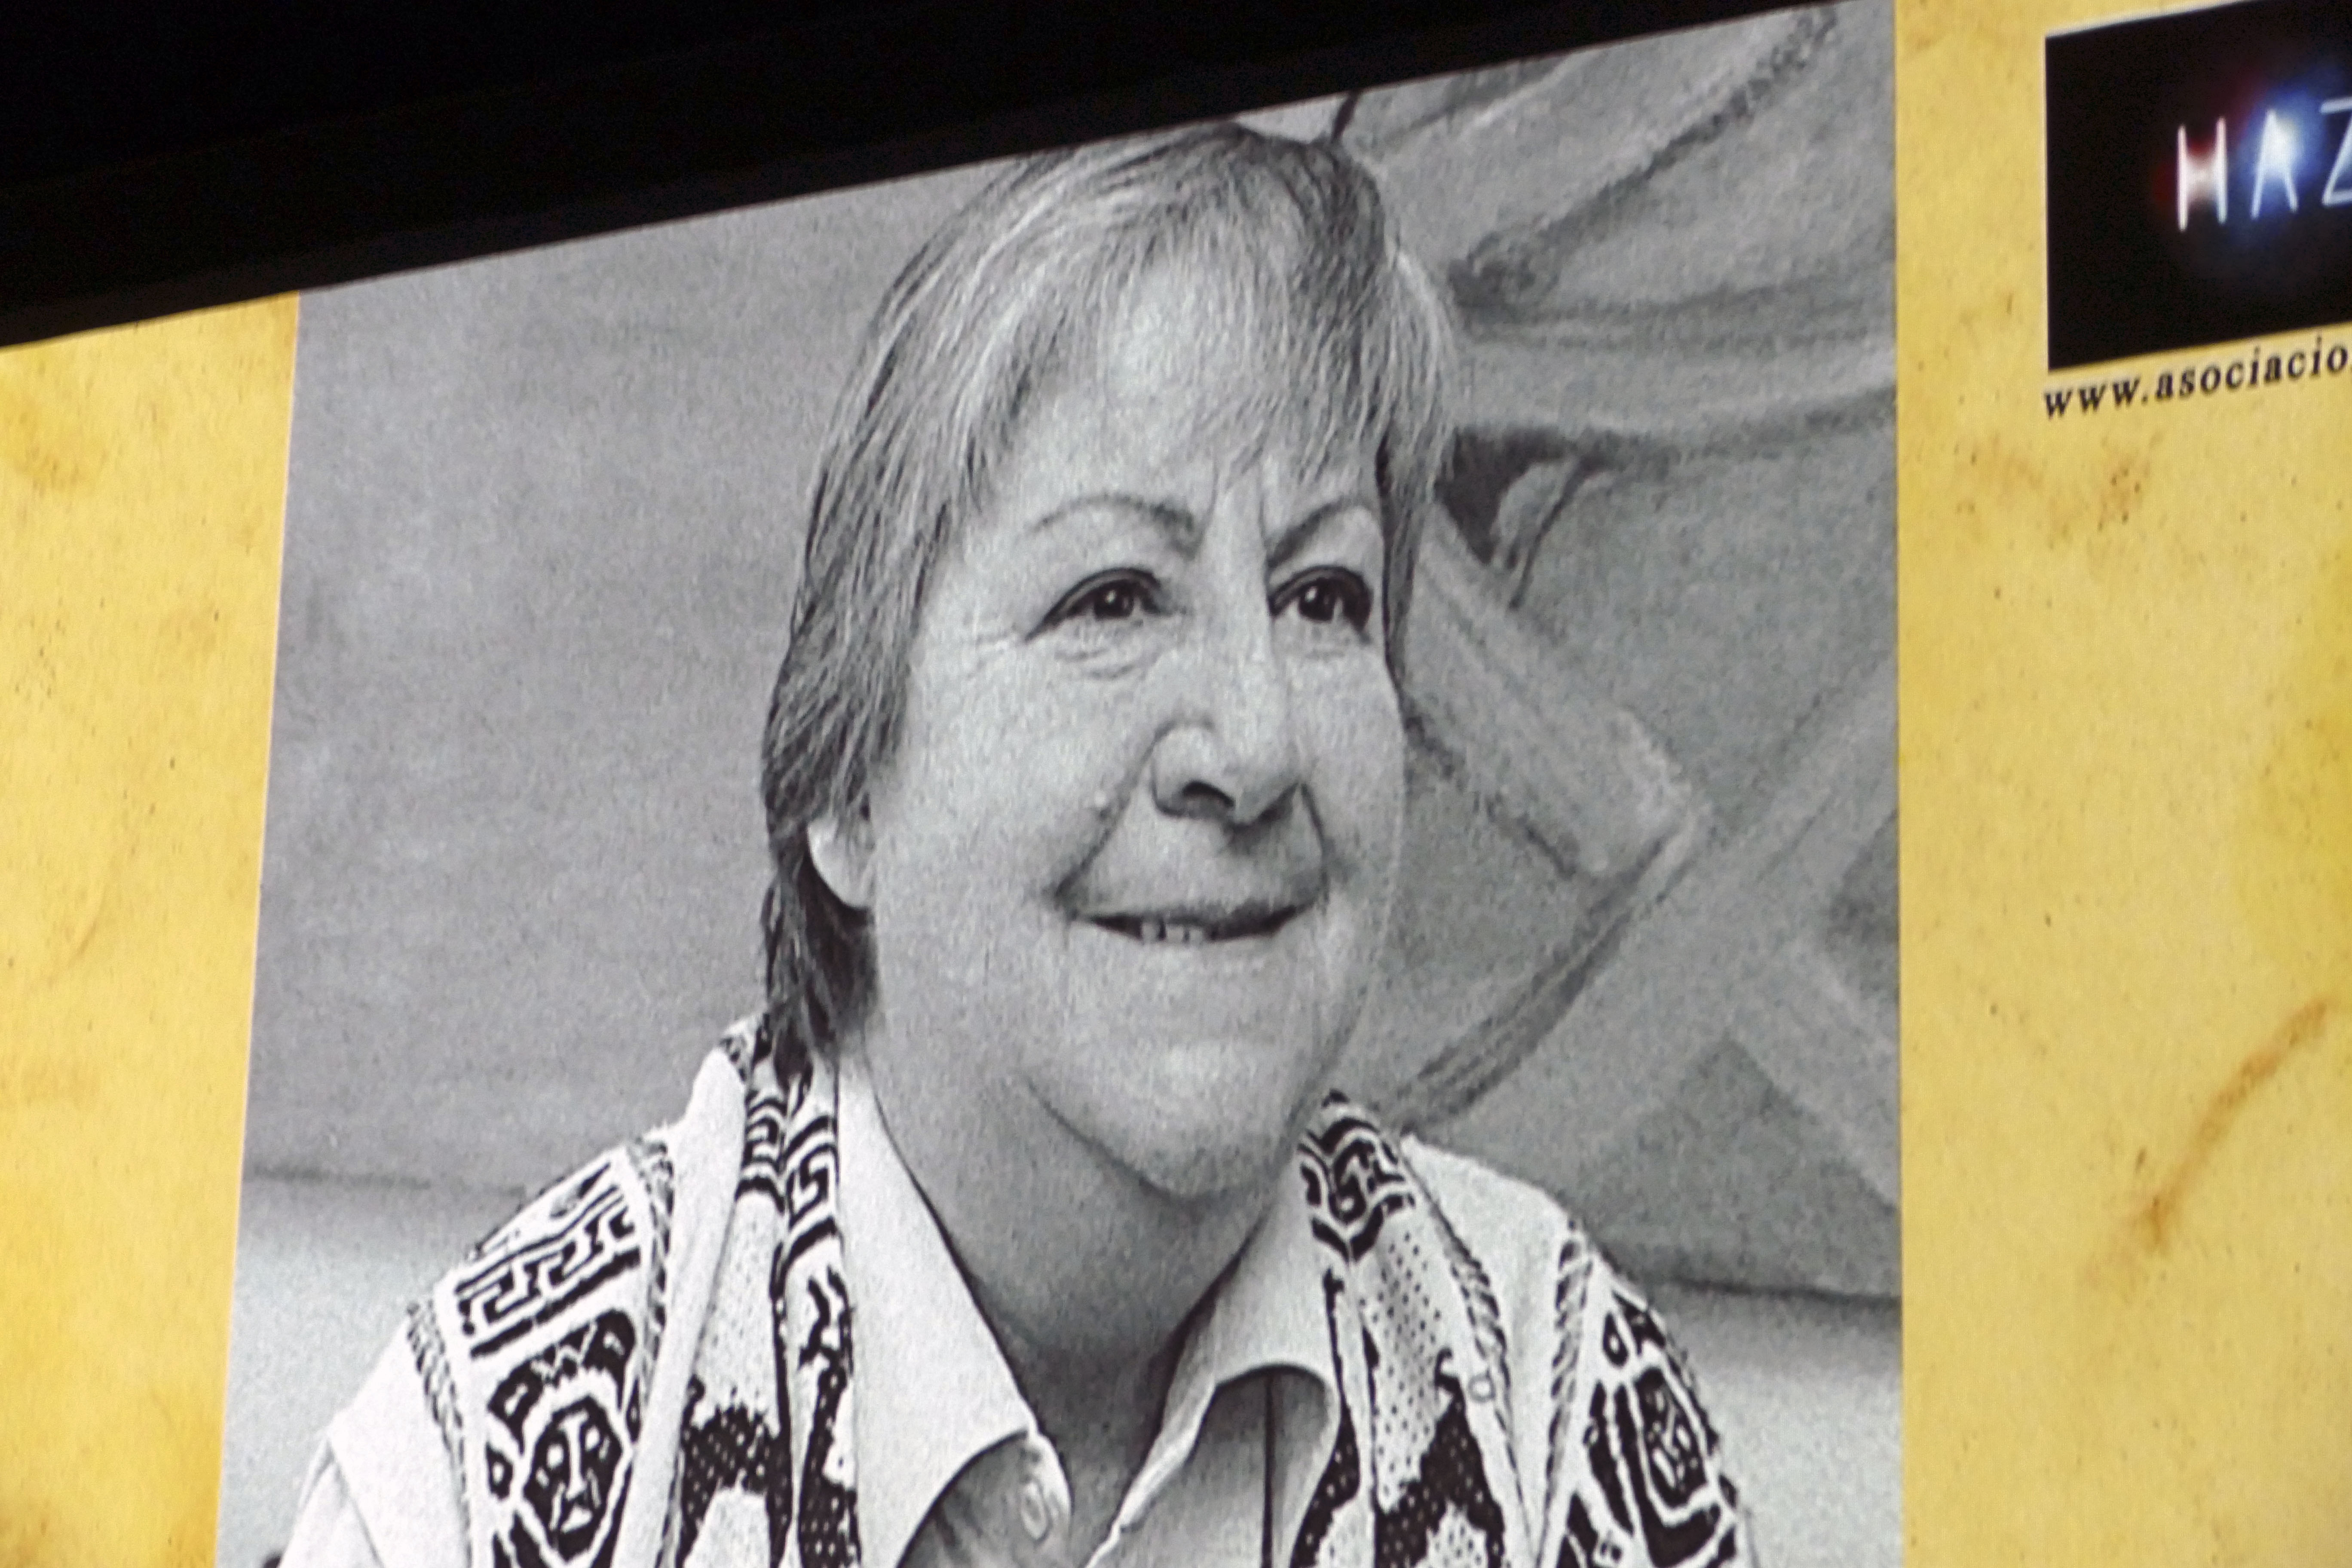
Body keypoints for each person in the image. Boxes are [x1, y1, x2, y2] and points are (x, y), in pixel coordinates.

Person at [279, 122, 1749, 1568]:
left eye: (1323, 598)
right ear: (851, 791)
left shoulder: (1558, 1409)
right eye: (1114, 598)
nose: (1253, 746)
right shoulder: (478, 1486)